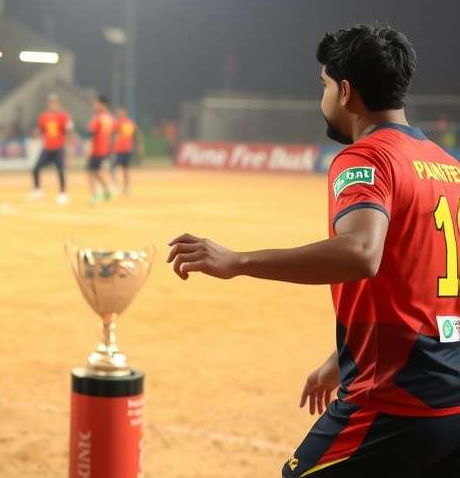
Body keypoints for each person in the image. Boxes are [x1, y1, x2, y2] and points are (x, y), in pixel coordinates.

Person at [167, 24, 460, 477]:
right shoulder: (447, 166)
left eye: (323, 85)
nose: (321, 99)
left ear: (345, 91)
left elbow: (360, 252)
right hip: (449, 401)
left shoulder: (367, 157)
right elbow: (420, 284)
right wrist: (339, 361)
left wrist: (237, 261)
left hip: (391, 403)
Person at [30, 94, 74, 204]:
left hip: (59, 148)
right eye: (50, 102)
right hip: (47, 148)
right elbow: (40, 130)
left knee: (61, 170)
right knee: (36, 168)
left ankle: (63, 193)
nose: (52, 104)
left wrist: (68, 147)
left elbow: (68, 132)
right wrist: (35, 134)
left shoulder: (64, 116)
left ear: (58, 103)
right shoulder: (43, 116)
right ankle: (37, 190)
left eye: (54, 102)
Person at [87, 95, 114, 203]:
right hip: (105, 149)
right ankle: (106, 191)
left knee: (91, 172)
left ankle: (95, 195)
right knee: (97, 171)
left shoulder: (98, 118)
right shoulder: (109, 117)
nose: (94, 105)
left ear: (102, 104)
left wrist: (89, 147)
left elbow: (92, 132)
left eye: (96, 103)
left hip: (97, 149)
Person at [110, 107, 138, 196]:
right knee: (125, 169)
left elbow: (113, 133)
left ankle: (116, 185)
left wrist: (111, 146)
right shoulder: (130, 123)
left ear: (125, 113)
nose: (119, 113)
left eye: (121, 112)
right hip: (127, 149)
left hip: (120, 149)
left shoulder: (119, 123)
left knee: (113, 167)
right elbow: (135, 135)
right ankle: (125, 188)